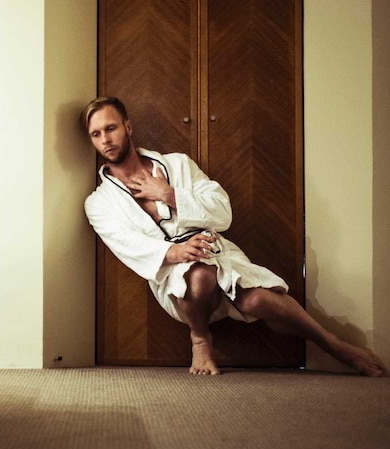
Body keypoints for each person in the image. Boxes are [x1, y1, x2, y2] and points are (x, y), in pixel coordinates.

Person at [81, 96, 385, 377]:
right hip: (175, 278)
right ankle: (200, 340)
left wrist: (170, 194)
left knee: (260, 301)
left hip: (216, 252)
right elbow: (126, 244)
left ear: (128, 126)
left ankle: (335, 345)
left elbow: (222, 212)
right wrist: (178, 252)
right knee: (199, 276)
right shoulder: (99, 202)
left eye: (111, 128)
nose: (106, 139)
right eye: (96, 134)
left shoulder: (177, 165)